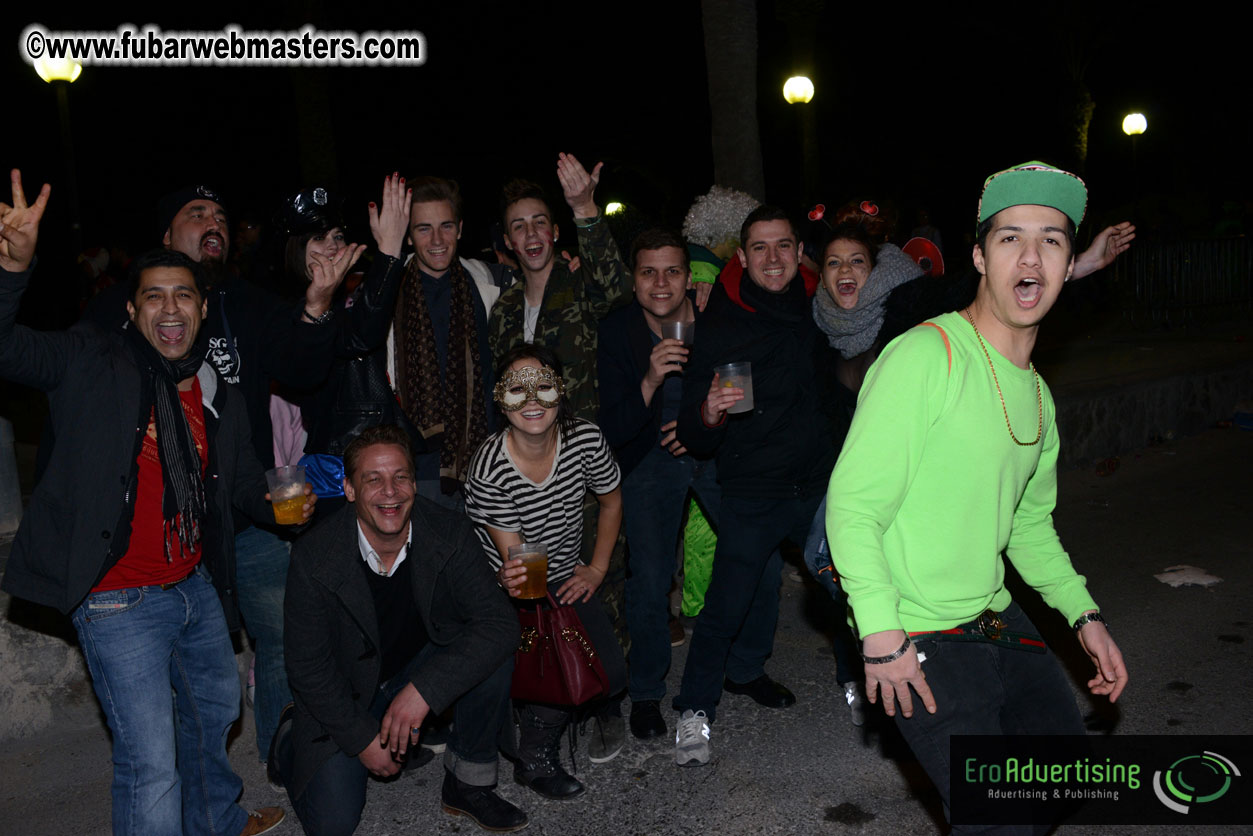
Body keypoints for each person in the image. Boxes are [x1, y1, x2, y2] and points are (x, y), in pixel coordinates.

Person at [0, 170, 307, 836]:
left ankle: (214, 822)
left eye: (184, 297)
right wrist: (11, 270)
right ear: (133, 311)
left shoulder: (215, 389)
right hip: (117, 598)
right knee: (150, 762)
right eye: (154, 298)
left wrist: (289, 500)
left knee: (215, 711)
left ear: (201, 307)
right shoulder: (93, 361)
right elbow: (6, 348)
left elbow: (249, 481)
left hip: (191, 582)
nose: (171, 310)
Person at [825, 161, 1129, 831]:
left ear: (1067, 261)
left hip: (991, 615)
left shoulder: (1038, 398)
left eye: (1050, 240)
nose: (1030, 255)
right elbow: (852, 505)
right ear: (978, 258)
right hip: (918, 627)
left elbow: (1027, 527)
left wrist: (1084, 614)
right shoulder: (923, 356)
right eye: (1009, 238)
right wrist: (880, 633)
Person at [80, 180, 361, 766]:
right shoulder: (117, 310)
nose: (214, 221)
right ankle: (185, 781)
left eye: (221, 215)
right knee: (172, 685)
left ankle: (283, 753)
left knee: (282, 634)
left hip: (248, 511)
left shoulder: (250, 303)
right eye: (196, 212)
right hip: (156, 532)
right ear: (165, 236)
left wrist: (316, 305)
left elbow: (302, 367)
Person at [279, 424, 525, 834]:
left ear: (414, 482)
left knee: (489, 651)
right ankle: (289, 741)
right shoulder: (314, 556)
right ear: (350, 490)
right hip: (348, 690)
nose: (389, 491)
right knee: (334, 823)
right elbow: (307, 667)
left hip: (414, 670)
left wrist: (425, 691)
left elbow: (498, 624)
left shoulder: (450, 531)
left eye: (400, 477)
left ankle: (468, 782)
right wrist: (361, 740)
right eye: (373, 479)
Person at [670, 205, 834, 766]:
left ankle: (867, 685)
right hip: (752, 488)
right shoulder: (720, 320)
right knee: (724, 606)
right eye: (759, 248)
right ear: (741, 256)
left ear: (798, 251)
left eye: (783, 245)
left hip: (816, 486)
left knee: (849, 591)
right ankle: (694, 712)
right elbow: (695, 428)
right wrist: (710, 412)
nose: (772, 258)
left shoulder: (823, 312)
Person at [464, 344, 628, 799]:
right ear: (501, 400)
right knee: (554, 663)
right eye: (517, 389)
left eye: (543, 386)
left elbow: (611, 499)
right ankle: (534, 756)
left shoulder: (586, 439)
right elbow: (518, 567)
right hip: (504, 582)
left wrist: (596, 568)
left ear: (562, 392)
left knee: (612, 675)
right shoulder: (490, 467)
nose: (531, 400)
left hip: (563, 569)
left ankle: (540, 706)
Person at [597, 229, 740, 741]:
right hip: (649, 458)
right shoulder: (617, 332)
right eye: (648, 272)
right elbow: (612, 428)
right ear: (633, 280)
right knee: (650, 579)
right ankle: (646, 694)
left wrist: (703, 428)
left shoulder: (713, 315)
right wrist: (651, 381)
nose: (661, 283)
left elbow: (738, 386)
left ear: (690, 276)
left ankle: (746, 668)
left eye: (673, 271)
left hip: (710, 449)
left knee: (750, 552)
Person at [281, 175, 413, 515]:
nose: (331, 245)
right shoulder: (288, 314)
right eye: (318, 238)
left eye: (337, 236)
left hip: (382, 465)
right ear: (297, 248)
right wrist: (389, 251)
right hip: (334, 478)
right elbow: (358, 337)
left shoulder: (350, 303)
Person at [388, 175, 511, 510]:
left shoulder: (493, 283)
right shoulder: (385, 293)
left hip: (487, 460)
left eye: (445, 226)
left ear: (459, 229)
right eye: (423, 228)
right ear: (409, 236)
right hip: (414, 466)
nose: (437, 239)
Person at [488, 152, 632, 422]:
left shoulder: (580, 283)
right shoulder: (502, 311)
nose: (531, 233)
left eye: (539, 222)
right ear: (508, 242)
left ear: (554, 232)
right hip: (525, 448)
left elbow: (618, 290)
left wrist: (584, 207)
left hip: (580, 445)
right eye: (519, 226)